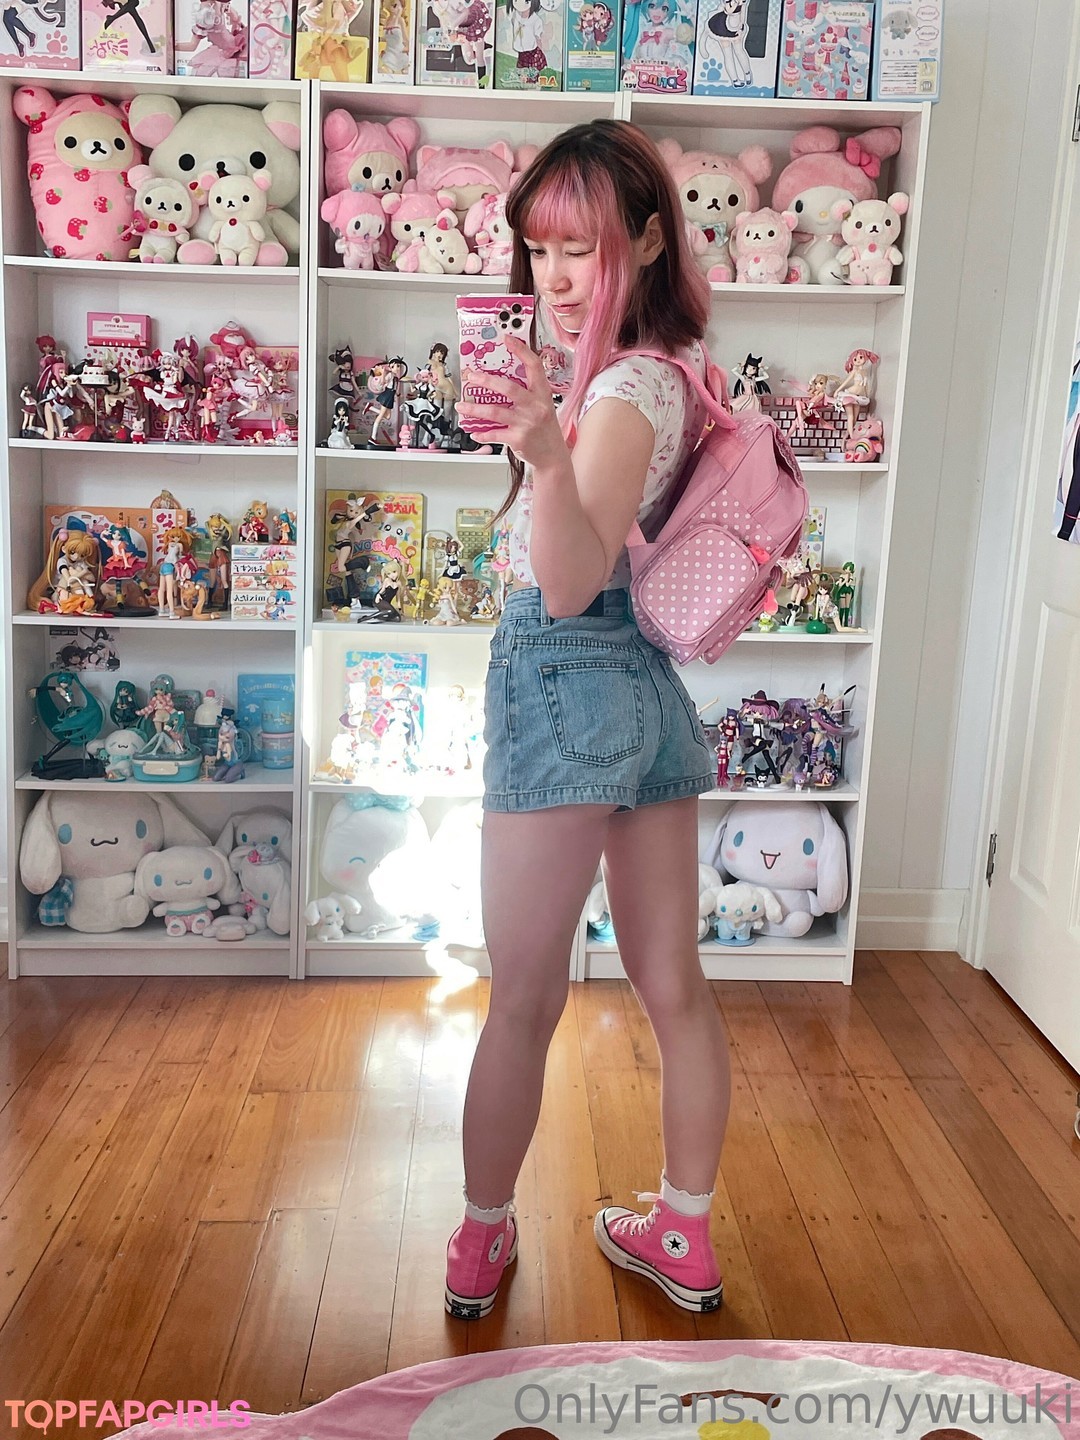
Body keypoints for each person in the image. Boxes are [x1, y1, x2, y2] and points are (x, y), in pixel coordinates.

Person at [445, 118, 733, 1321]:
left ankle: (479, 1242)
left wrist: (546, 456)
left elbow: (564, 585)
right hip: (645, 690)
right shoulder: (663, 370)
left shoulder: (618, 390)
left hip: (565, 676)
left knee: (521, 1001)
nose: (556, 278)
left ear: (651, 240)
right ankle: (685, 1234)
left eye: (585, 249)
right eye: (540, 250)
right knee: (676, 986)